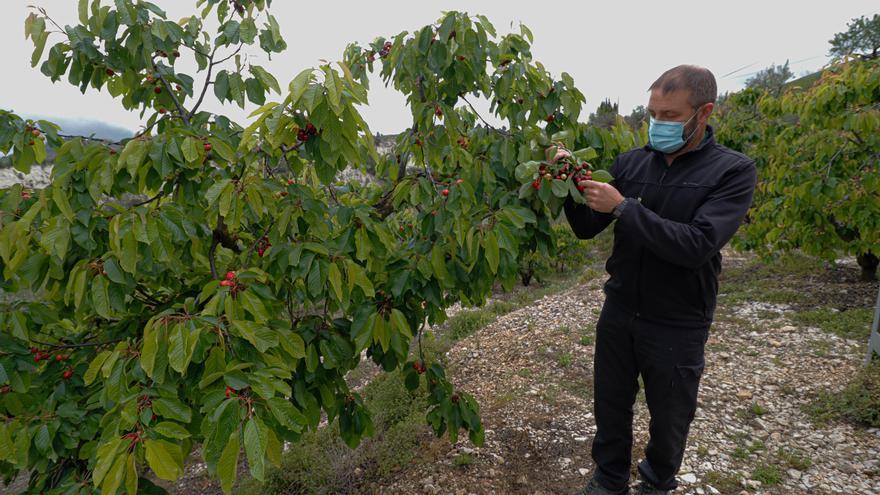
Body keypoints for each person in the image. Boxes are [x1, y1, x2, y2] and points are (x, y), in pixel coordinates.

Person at [558, 65, 758, 495]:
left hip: (678, 317)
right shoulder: (630, 163)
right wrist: (571, 187)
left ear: (703, 113)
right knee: (610, 404)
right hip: (620, 307)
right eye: (652, 113)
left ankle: (657, 481)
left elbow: (697, 244)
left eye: (669, 115)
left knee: (670, 415)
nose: (657, 123)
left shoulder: (732, 171)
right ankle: (609, 479)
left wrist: (624, 208)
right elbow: (586, 227)